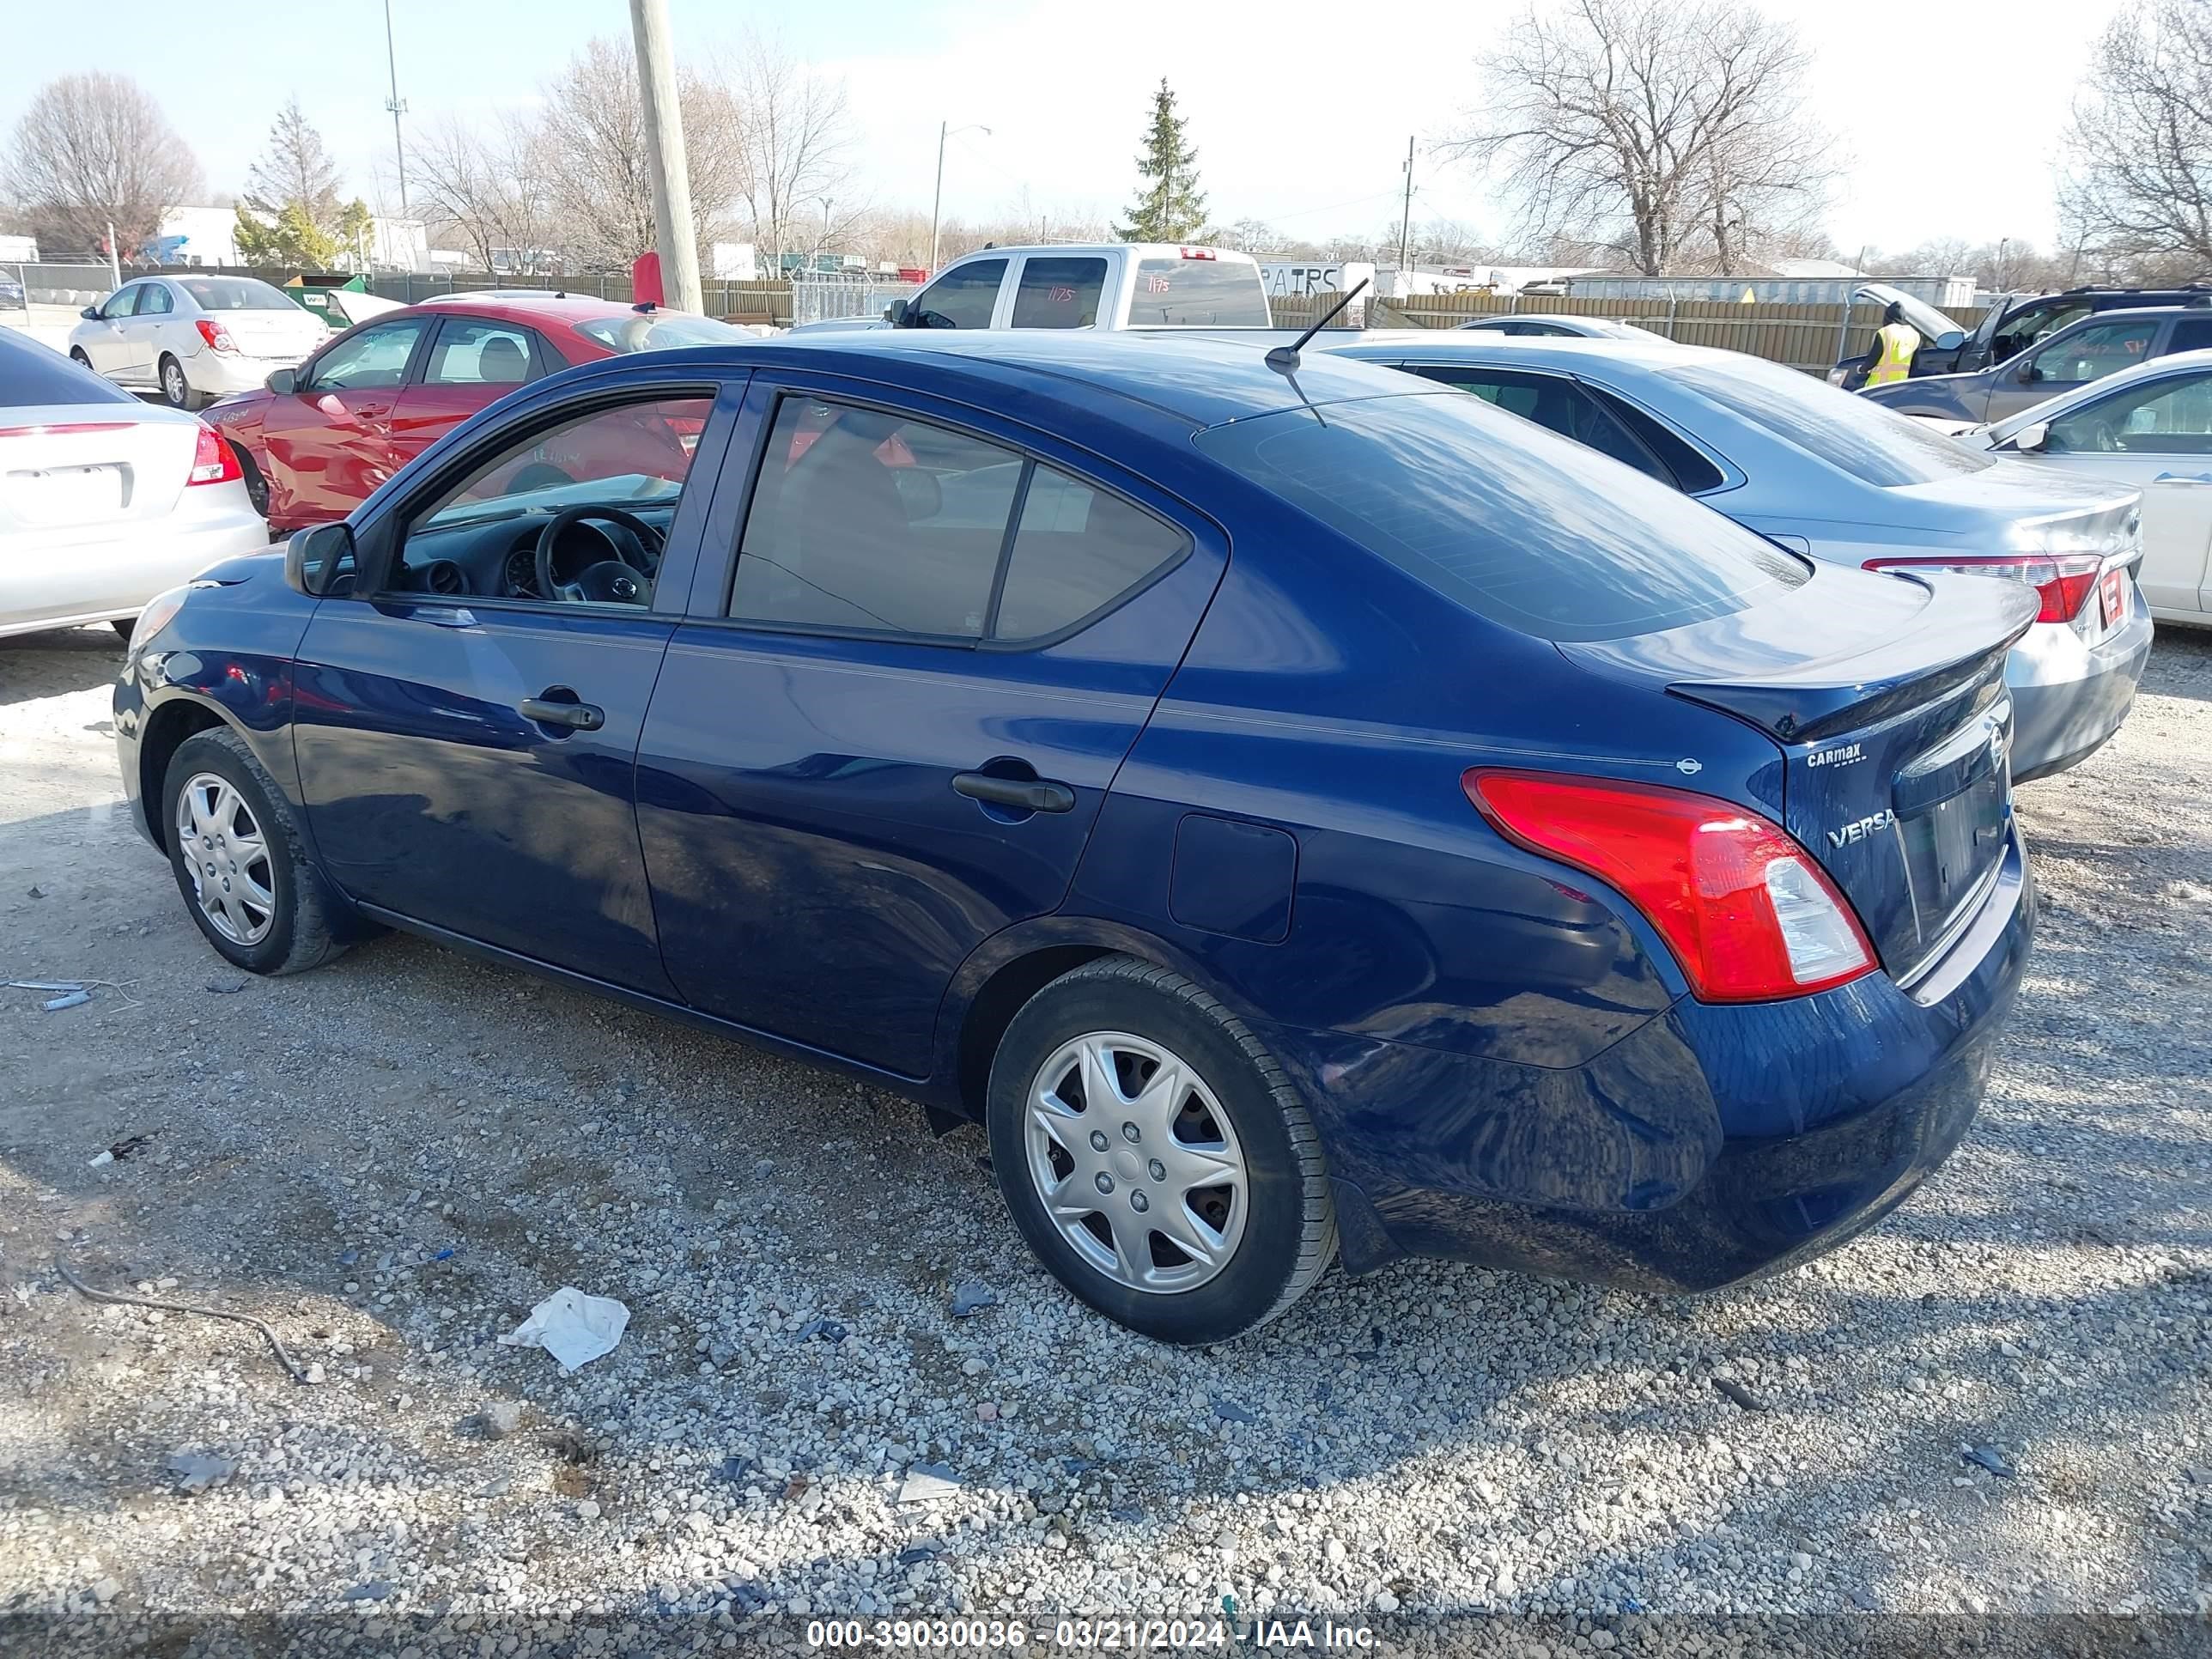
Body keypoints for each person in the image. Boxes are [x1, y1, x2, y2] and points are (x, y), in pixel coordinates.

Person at [1856, 301, 1920, 389]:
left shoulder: (1885, 332)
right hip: (1900, 385)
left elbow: (1874, 357)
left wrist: (1862, 369)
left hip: (1879, 384)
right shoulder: (1914, 335)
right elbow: (1914, 364)